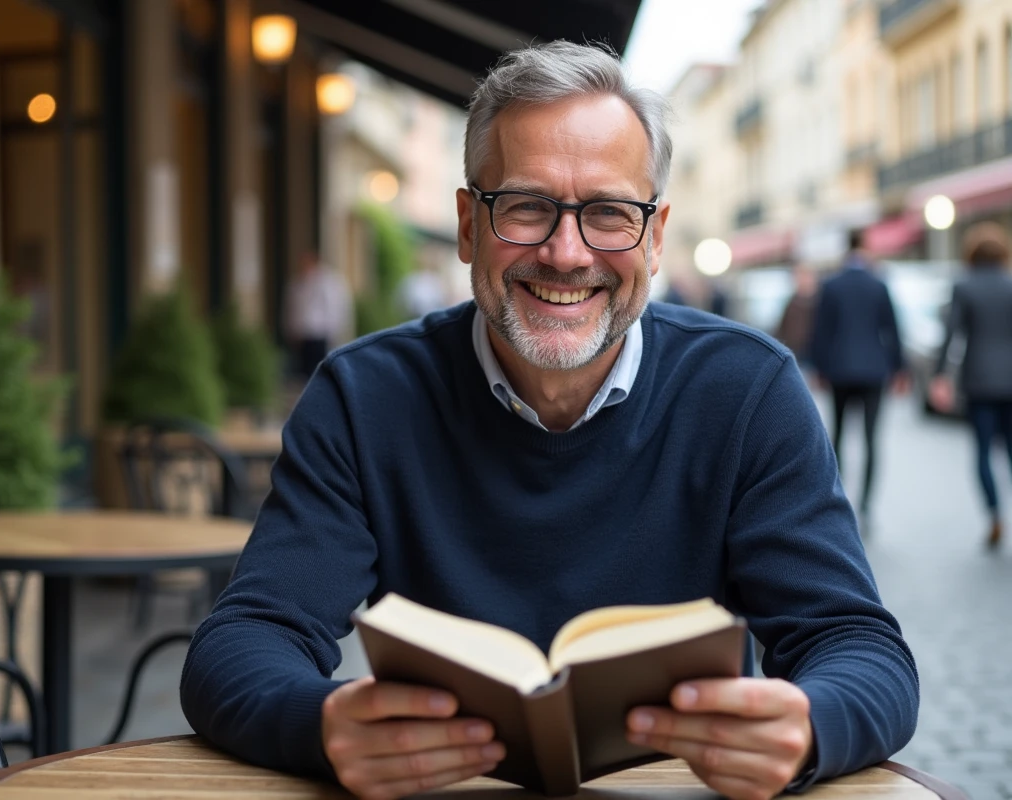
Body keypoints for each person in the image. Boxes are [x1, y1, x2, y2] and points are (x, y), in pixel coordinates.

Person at [182, 42, 917, 800]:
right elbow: (240, 645)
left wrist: (806, 726)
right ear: (469, 223)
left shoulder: (747, 390)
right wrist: (325, 723)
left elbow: (859, 649)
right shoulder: (363, 397)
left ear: (656, 236)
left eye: (608, 213)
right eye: (528, 207)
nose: (567, 253)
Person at [809, 232, 908, 525]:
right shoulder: (879, 284)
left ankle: (837, 499)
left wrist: (819, 367)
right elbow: (892, 328)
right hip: (874, 371)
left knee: (838, 435)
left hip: (839, 370)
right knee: (871, 439)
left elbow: (821, 331)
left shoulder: (831, 285)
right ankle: (866, 504)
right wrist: (900, 368)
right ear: (865, 249)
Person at [929, 222, 1012, 549]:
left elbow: (951, 335)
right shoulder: (1010, 285)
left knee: (982, 452)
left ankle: (993, 515)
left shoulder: (963, 287)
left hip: (978, 380)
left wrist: (940, 375)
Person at [283, 251, 352, 380]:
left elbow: (333, 307)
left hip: (320, 332)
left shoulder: (327, 282)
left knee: (318, 368)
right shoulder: (296, 283)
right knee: (305, 371)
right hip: (304, 333)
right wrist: (292, 329)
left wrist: (334, 329)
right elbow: (292, 309)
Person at [775, 264, 819, 366]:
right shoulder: (792, 302)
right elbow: (782, 328)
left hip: (814, 354)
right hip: (795, 352)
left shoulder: (820, 301)